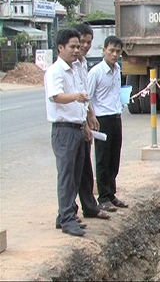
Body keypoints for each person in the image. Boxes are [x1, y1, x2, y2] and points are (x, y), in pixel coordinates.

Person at [45, 28, 91, 236]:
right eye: (72, 47)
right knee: (66, 175)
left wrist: (87, 123)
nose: (76, 50)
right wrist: (75, 97)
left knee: (75, 175)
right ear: (60, 48)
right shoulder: (55, 71)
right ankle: (66, 218)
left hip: (77, 127)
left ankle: (66, 214)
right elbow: (56, 96)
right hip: (64, 130)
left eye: (77, 46)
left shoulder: (75, 69)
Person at [74, 23, 114, 219]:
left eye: (89, 42)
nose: (85, 46)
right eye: (82, 42)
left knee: (85, 169)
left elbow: (86, 96)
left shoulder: (82, 64)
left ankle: (90, 206)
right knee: (72, 171)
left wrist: (89, 115)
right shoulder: (70, 67)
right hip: (70, 125)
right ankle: (67, 214)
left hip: (83, 122)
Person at [88, 35, 129, 212]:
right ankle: (103, 196)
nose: (114, 54)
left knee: (114, 157)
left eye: (118, 51)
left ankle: (111, 193)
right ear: (104, 50)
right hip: (102, 119)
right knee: (102, 158)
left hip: (115, 117)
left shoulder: (117, 69)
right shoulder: (96, 73)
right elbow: (87, 97)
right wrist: (91, 117)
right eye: (111, 50)